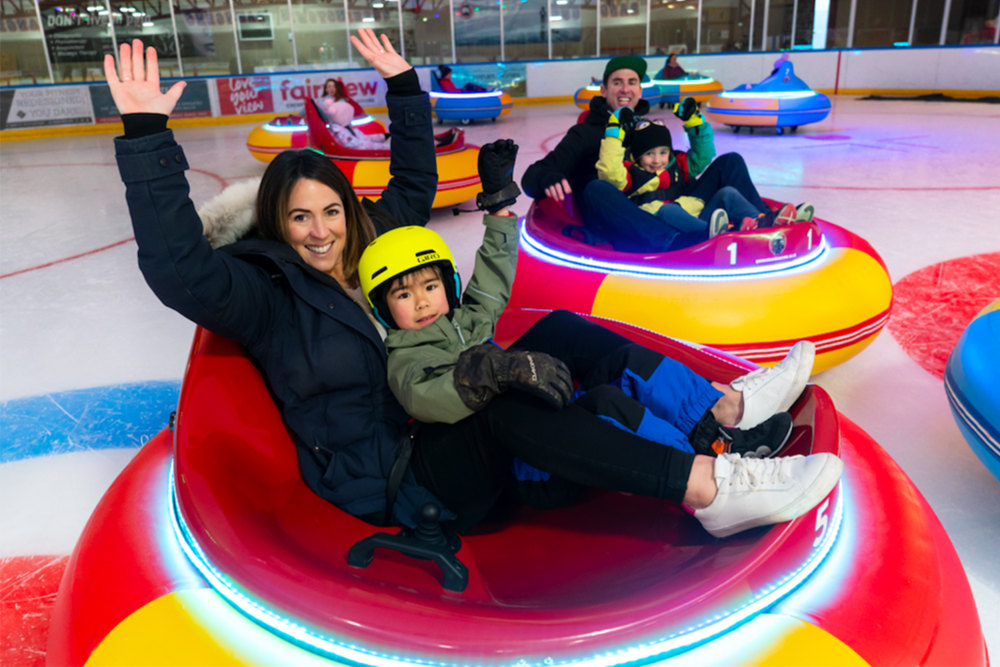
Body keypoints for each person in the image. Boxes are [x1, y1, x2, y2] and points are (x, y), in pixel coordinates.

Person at [106, 35, 842, 541]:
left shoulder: (367, 250)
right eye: (299, 217)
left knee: (558, 330)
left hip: (432, 422)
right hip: (393, 475)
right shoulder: (264, 291)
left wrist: (402, 88)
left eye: (331, 211)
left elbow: (413, 185)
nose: (320, 231)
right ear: (276, 221)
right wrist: (145, 137)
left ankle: (726, 407)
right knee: (500, 406)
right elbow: (179, 269)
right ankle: (711, 488)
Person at [360, 140, 797, 465]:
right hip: (510, 447)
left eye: (429, 288)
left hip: (527, 411)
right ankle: (708, 464)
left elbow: (490, 284)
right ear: (384, 308)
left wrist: (496, 209)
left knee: (613, 356)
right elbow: (430, 398)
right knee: (609, 406)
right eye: (403, 294)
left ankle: (719, 422)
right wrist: (493, 370)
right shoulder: (407, 357)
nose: (421, 302)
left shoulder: (462, 320)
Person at [521, 56, 813, 252]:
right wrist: (549, 176)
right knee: (597, 189)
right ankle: (676, 243)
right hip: (626, 213)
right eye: (617, 82)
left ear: (640, 88)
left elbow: (680, 164)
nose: (625, 89)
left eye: (632, 82)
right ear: (604, 89)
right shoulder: (585, 133)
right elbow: (532, 176)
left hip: (670, 203)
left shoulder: (645, 126)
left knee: (731, 161)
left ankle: (765, 222)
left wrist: (694, 124)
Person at [597, 100, 806, 245]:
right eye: (649, 154)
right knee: (669, 210)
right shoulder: (630, 173)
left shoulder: (675, 165)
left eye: (663, 152)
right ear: (637, 155)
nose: (657, 160)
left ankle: (764, 221)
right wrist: (614, 134)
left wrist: (694, 120)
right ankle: (722, 236)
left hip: (698, 215)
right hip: (663, 220)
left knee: (728, 193)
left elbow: (704, 155)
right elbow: (610, 172)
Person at [316, 76, 388, 151]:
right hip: (338, 130)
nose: (332, 88)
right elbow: (322, 108)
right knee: (359, 143)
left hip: (347, 128)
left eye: (334, 86)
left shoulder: (342, 99)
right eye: (329, 86)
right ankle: (386, 147)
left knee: (364, 138)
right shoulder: (322, 101)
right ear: (326, 89)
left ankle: (386, 140)